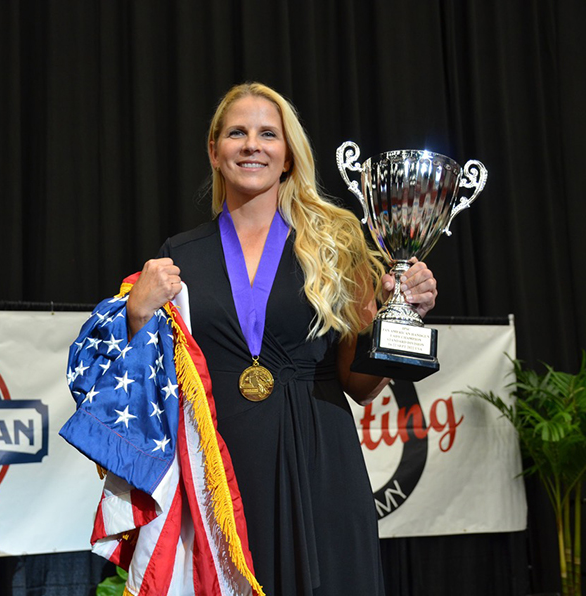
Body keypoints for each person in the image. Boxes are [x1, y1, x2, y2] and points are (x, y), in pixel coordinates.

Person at [123, 82, 438, 595]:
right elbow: (150, 383)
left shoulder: (336, 246)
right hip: (221, 468)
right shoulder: (178, 256)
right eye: (237, 133)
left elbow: (359, 386)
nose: (252, 145)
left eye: (268, 134)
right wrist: (136, 315)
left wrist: (399, 318)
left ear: (288, 155)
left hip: (321, 461)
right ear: (214, 151)